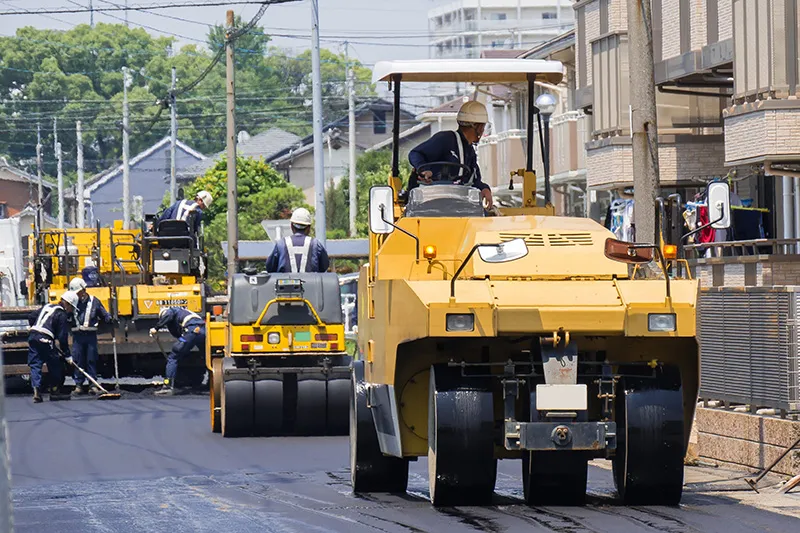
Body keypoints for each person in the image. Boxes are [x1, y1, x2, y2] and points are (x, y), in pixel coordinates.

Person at [408, 100, 494, 209]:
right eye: (482, 126)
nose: (483, 131)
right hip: (429, 202)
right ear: (476, 126)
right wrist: (423, 169)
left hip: (456, 204)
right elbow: (415, 153)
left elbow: (474, 179)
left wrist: (484, 188)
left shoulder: (469, 151)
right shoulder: (445, 139)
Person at [27, 291, 79, 403]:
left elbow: (31, 316)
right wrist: (67, 355)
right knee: (55, 363)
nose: (72, 311)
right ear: (68, 304)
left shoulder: (47, 306)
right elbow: (62, 337)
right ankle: (55, 390)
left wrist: (34, 327)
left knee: (35, 364)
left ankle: (36, 391)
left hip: (33, 335)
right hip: (45, 338)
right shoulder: (62, 314)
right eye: (72, 308)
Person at [68, 277, 113, 396]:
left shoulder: (94, 301)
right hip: (77, 336)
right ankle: (78, 385)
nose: (76, 294)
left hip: (90, 336)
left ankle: (93, 385)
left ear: (83, 290)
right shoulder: (72, 301)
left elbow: (103, 313)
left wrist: (109, 319)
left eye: (78, 292)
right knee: (78, 360)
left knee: (91, 359)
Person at [149, 307, 206, 396]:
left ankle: (167, 387)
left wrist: (156, 328)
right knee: (207, 356)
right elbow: (177, 333)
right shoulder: (186, 313)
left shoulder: (170, 311)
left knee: (172, 357)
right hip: (203, 331)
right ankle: (212, 383)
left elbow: (168, 315)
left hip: (192, 331)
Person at [265, 207, 330, 273]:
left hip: (285, 282)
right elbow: (324, 266)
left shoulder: (281, 244)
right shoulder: (315, 244)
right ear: (309, 228)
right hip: (311, 283)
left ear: (291, 226)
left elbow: (270, 267)